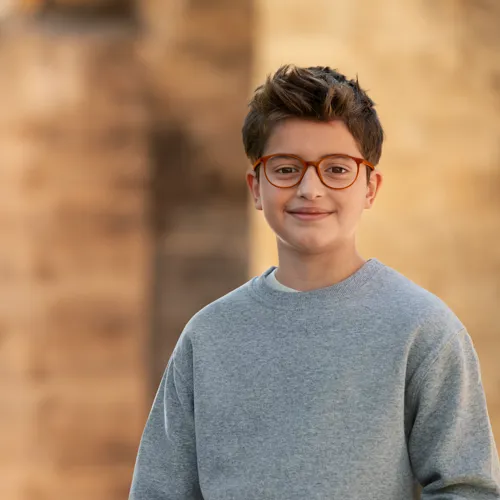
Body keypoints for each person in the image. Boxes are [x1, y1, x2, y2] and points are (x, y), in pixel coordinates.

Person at [128, 64, 500, 499]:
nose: (310, 188)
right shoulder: (208, 337)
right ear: (256, 187)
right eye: (286, 169)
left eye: (337, 169)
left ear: (370, 187)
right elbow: (159, 491)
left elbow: (467, 488)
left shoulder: (422, 329)